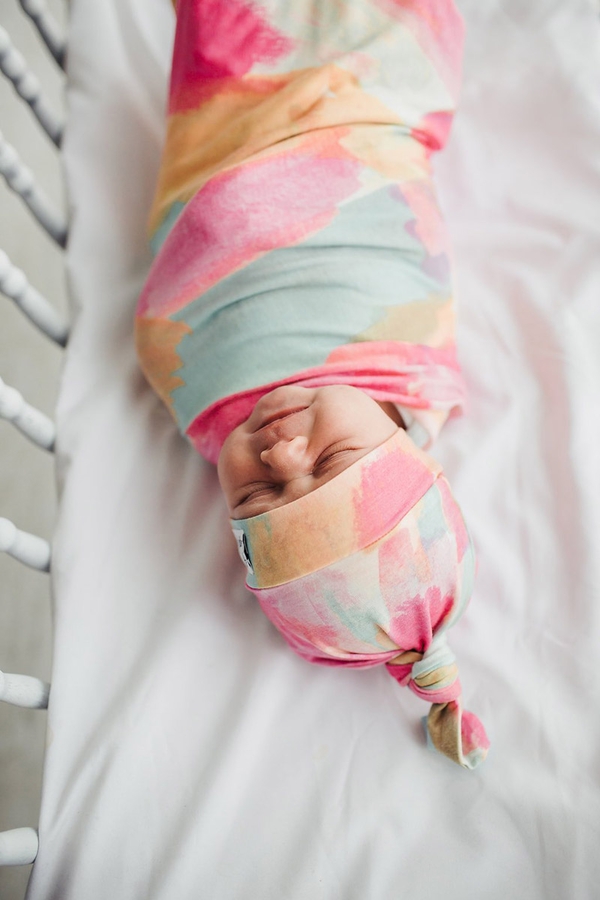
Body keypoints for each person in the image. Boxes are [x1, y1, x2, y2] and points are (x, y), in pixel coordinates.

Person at [135, 0, 489, 768]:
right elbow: (398, 202)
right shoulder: (414, 360)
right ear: (404, 449)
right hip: (356, 109)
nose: (281, 451)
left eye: (257, 495)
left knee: (228, 33)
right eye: (330, 462)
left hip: (227, 131)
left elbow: (166, 329)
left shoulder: (208, 409)